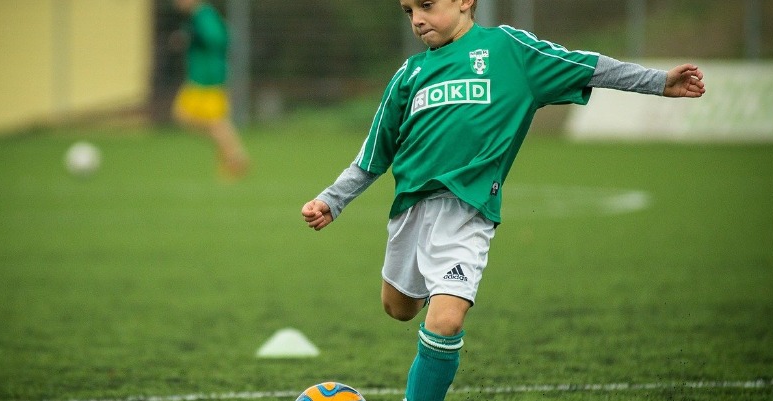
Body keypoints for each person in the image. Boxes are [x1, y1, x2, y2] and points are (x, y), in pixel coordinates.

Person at [301, 0, 706, 400]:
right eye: (409, 12)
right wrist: (331, 201)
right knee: (398, 308)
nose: (418, 20)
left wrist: (658, 82)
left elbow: (587, 65)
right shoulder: (410, 73)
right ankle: (434, 285)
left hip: (467, 212)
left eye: (426, 5)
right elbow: (374, 154)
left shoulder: (509, 50)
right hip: (410, 211)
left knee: (445, 321)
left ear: (465, 1)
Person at [171, 0, 249, 179]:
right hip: (200, 77)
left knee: (212, 122)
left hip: (208, 79)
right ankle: (233, 154)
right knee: (189, 118)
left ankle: (235, 156)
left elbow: (219, 38)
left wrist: (192, 36)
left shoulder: (204, 15)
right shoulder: (197, 16)